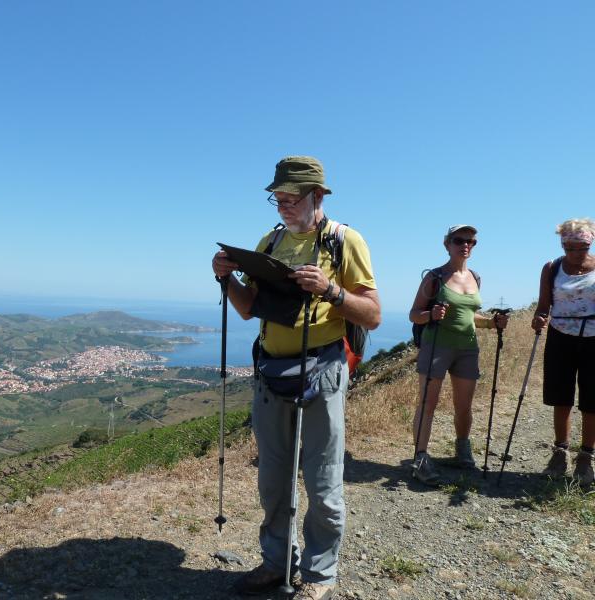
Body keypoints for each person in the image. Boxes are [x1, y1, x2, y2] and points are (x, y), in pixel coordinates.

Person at [211, 156, 380, 600]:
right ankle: (276, 561)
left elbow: (373, 314)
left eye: (290, 198)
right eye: (277, 198)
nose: (282, 206)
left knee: (322, 480)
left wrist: (330, 290)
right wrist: (225, 278)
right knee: (272, 478)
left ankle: (319, 576)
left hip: (322, 371)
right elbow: (250, 308)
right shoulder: (269, 242)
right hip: (270, 372)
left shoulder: (346, 241)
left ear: (317, 196)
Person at [408, 225, 509, 485]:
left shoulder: (475, 277)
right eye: (459, 240)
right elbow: (415, 314)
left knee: (463, 406)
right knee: (427, 405)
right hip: (436, 346)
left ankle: (463, 453)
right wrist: (431, 315)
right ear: (447, 244)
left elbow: (469, 315)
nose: (466, 245)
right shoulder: (434, 277)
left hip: (467, 347)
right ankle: (420, 458)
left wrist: (491, 322)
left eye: (471, 241)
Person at [532, 218, 595, 486]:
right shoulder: (552, 268)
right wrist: (539, 318)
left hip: (594, 338)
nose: (575, 253)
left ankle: (586, 457)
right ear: (562, 243)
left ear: (589, 243)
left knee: (592, 399)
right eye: (569, 247)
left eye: (581, 246)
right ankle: (560, 452)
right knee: (561, 396)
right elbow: (544, 305)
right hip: (560, 337)